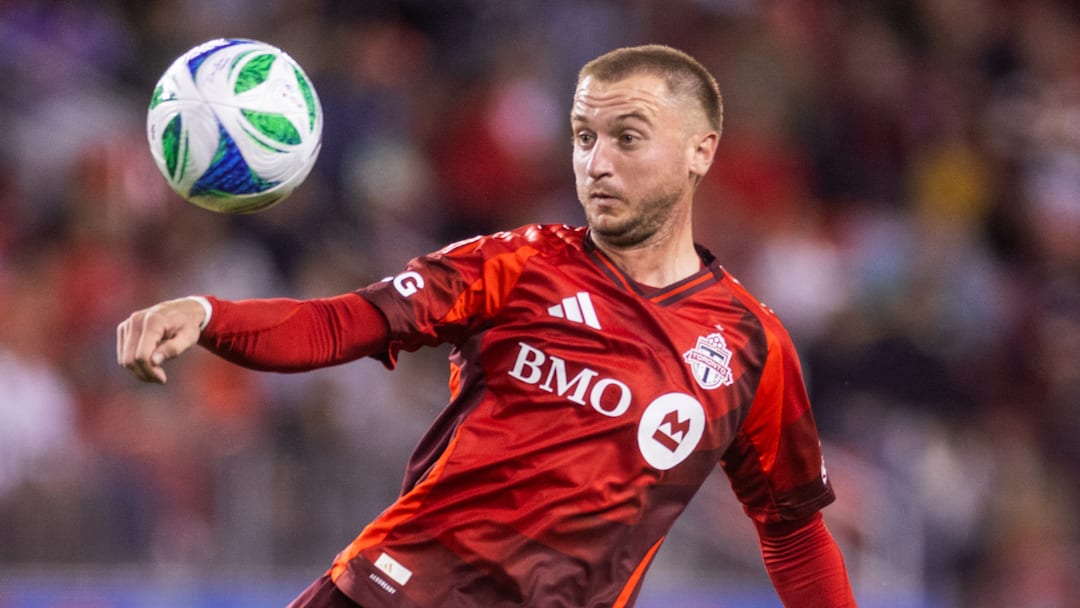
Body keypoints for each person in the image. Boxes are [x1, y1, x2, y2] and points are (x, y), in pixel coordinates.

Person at [118, 44, 856, 607]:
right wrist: (209, 314)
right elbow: (345, 323)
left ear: (702, 150)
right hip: (394, 591)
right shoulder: (516, 264)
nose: (596, 163)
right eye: (581, 136)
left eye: (627, 138)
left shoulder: (749, 346)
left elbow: (791, 528)